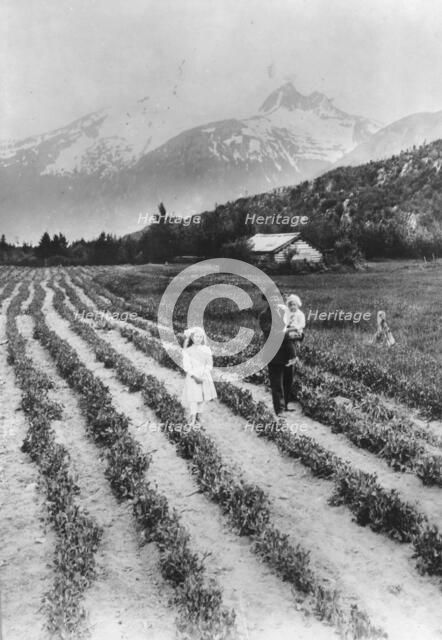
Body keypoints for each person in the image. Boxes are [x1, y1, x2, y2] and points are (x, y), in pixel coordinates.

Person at [259, 293, 294, 416]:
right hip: (274, 353)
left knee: (288, 381)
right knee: (277, 382)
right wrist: (285, 332)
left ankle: (286, 406)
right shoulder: (264, 315)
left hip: (287, 352)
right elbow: (269, 332)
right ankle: (279, 409)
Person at [181, 326, 217, 426]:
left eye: (201, 337)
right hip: (193, 377)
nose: (198, 339)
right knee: (194, 398)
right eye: (196, 336)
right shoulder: (188, 351)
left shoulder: (206, 349)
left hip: (204, 376)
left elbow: (209, 364)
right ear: (192, 338)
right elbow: (187, 366)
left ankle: (199, 416)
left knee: (203, 398)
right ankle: (192, 418)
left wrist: (204, 374)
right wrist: (195, 376)